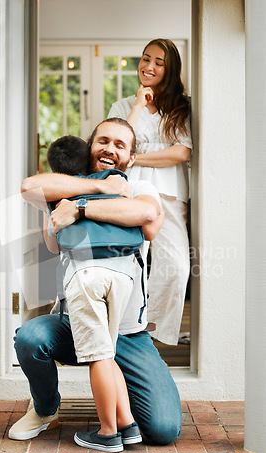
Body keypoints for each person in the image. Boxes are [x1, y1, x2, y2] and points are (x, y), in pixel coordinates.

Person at [8, 118, 182, 448]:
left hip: (128, 332)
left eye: (120, 145)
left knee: (163, 430)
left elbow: (146, 217)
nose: (110, 149)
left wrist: (81, 209)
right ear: (90, 147)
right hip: (73, 321)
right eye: (103, 141)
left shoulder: (140, 188)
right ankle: (45, 408)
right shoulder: (68, 189)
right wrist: (97, 189)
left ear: (131, 158)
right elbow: (29, 186)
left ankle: (120, 409)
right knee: (30, 338)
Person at [44, 134, 145, 452]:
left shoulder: (59, 192)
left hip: (86, 275)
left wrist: (50, 220)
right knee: (108, 352)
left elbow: (54, 245)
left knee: (98, 356)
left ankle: (107, 433)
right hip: (121, 275)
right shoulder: (115, 181)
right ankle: (127, 425)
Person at [108, 38, 193, 345]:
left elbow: (181, 152)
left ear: (170, 70)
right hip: (129, 194)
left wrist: (137, 158)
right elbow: (120, 141)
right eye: (146, 59)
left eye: (159, 62)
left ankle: (157, 331)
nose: (149, 66)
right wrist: (138, 104)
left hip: (169, 195)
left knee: (176, 266)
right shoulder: (122, 106)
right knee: (130, 261)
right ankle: (128, 328)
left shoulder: (181, 107)